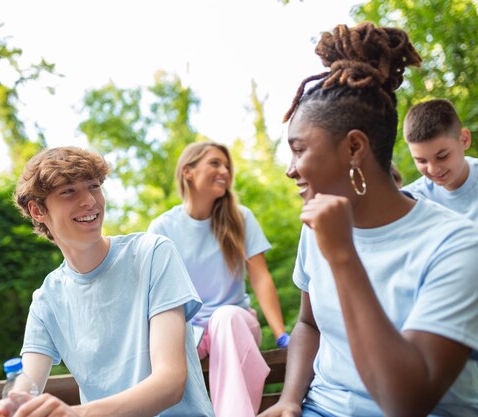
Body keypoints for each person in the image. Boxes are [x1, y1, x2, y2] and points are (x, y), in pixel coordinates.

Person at [259, 22, 478, 417]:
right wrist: (290, 401)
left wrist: (343, 256)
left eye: (299, 150)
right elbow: (309, 324)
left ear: (355, 147)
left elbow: (406, 402)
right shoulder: (318, 226)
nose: (291, 170)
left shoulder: (457, 245)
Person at [0, 147, 215, 417]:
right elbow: (30, 380)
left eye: (93, 186)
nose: (89, 201)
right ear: (38, 210)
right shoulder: (47, 299)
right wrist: (16, 400)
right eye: (68, 191)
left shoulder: (152, 253)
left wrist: (79, 414)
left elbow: (170, 383)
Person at [148, 141, 289, 417]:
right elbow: (155, 294)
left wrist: (280, 333)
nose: (224, 170)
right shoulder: (163, 227)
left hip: (236, 324)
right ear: (188, 171)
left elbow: (260, 278)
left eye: (226, 165)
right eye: (215, 163)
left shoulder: (240, 218)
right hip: (189, 332)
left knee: (225, 317)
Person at [402, 98, 477, 223]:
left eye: (442, 156)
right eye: (421, 161)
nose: (433, 169)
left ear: (464, 139)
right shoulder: (412, 199)